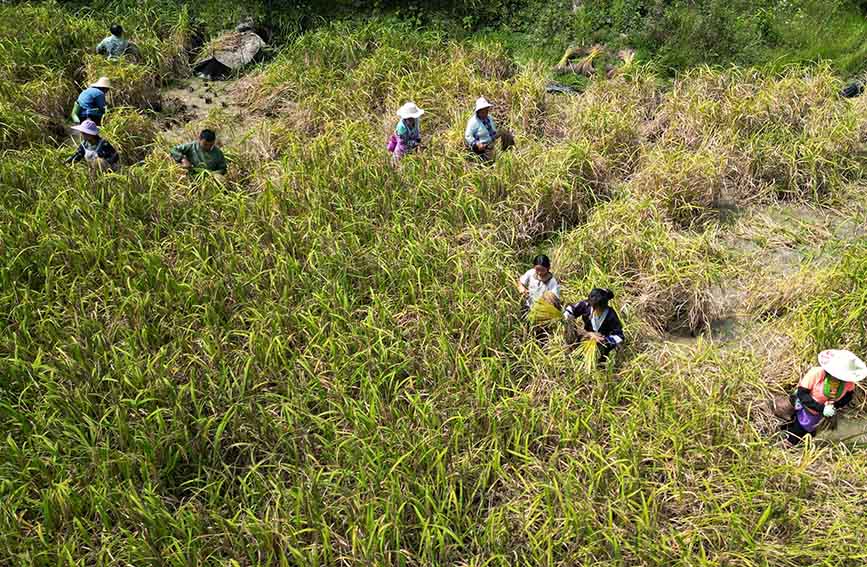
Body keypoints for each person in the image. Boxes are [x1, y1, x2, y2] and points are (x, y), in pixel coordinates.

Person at [782, 350, 866, 445]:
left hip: (819, 416)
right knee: (795, 434)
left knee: (810, 434)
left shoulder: (848, 383)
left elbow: (847, 397)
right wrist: (823, 408)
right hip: (803, 408)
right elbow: (802, 395)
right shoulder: (817, 373)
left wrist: (834, 406)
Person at [564, 288, 625, 360]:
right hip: (586, 336)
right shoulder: (587, 305)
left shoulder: (610, 315)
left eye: (597, 309)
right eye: (593, 307)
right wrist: (570, 320)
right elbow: (570, 309)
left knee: (599, 354)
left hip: (601, 344)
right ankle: (572, 351)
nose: (594, 311)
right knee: (569, 328)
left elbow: (619, 336)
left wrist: (604, 339)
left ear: (604, 307)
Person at [464, 96, 514, 162]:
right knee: (492, 158)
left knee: (505, 133)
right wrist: (477, 143)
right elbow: (468, 135)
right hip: (483, 145)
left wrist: (497, 136)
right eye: (483, 112)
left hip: (491, 139)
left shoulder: (489, 117)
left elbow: (493, 129)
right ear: (478, 111)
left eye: (486, 111)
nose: (485, 113)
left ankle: (509, 150)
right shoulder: (473, 122)